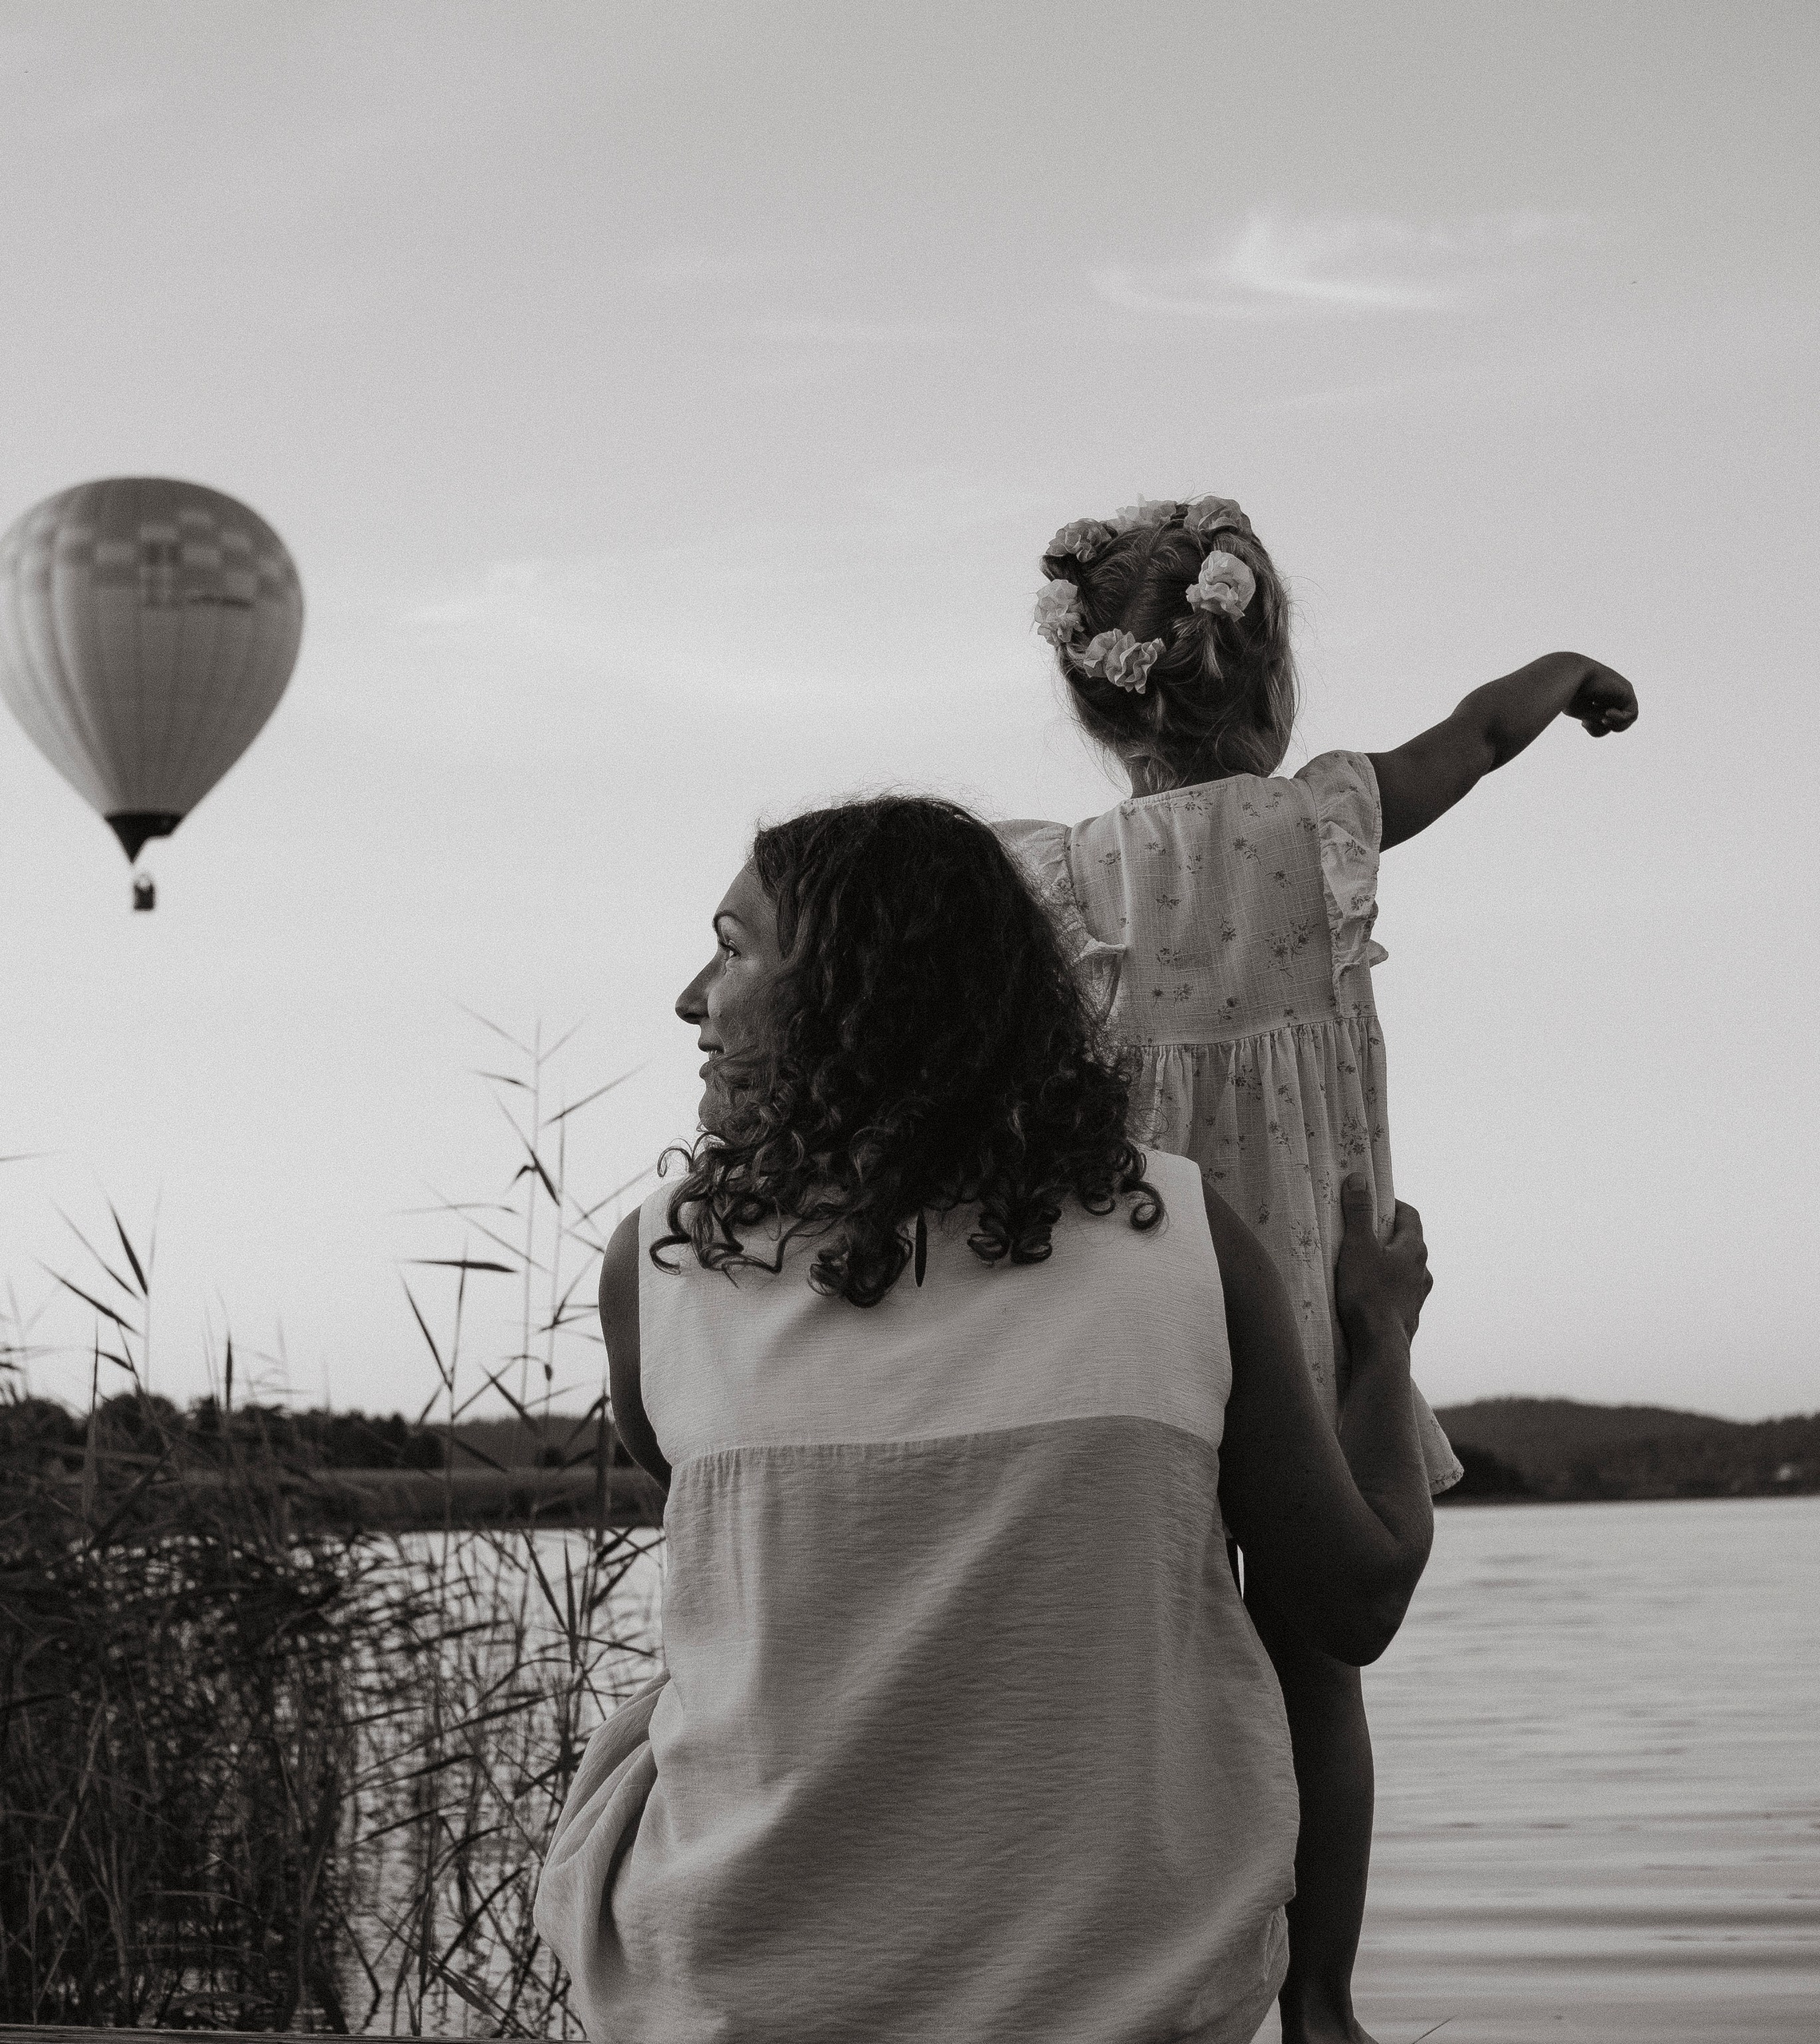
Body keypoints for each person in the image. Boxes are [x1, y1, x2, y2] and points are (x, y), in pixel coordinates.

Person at [536, 795, 1437, 2044]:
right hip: (1121, 2004)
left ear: (857, 996)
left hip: (736, 2000)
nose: (693, 998)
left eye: (735, 950)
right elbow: (1358, 1598)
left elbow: (697, 1516)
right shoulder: (1175, 1232)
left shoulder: (663, 1265)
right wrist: (1380, 1341)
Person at [1000, 496, 1639, 2044]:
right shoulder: (1324, 814)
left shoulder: (1059, 872)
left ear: (1093, 694)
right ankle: (1325, 2003)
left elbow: (890, 924)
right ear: (1264, 672)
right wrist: (1563, 672)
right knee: (1314, 1674)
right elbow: (1471, 738)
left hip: (1130, 1310)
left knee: (1136, 1673)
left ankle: (1111, 1976)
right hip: (1305, 1294)